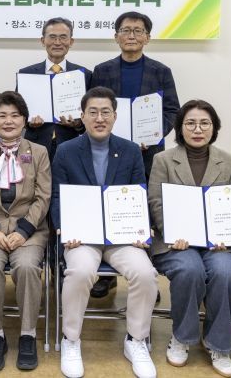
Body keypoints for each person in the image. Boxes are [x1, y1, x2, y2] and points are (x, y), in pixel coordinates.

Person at [51, 87, 158, 378]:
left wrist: (141, 230)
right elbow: (57, 196)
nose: (100, 118)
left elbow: (139, 194)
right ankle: (71, 339)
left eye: (105, 112)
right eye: (93, 112)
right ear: (83, 116)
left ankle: (136, 340)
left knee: (145, 273)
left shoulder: (130, 150)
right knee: (80, 271)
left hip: (121, 237)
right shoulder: (66, 150)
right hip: (82, 236)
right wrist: (64, 228)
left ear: (115, 116)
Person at [148, 99, 231, 378]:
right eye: (190, 123)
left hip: (218, 244)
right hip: (176, 242)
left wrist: (227, 234)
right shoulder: (163, 160)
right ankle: (182, 337)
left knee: (226, 272)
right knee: (189, 269)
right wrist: (173, 232)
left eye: (205, 123)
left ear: (214, 128)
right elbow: (156, 202)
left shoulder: (228, 161)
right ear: (180, 128)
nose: (198, 129)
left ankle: (219, 344)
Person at [89, 10, 180, 299]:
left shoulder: (161, 71)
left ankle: (146, 279)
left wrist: (151, 136)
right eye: (125, 30)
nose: (131, 36)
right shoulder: (102, 70)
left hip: (148, 153)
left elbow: (172, 110)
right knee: (109, 207)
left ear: (147, 37)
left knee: (145, 212)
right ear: (116, 36)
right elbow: (93, 109)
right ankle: (106, 277)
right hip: (108, 152)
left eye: (138, 31)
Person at [0, 91, 51, 371]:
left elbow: (43, 197)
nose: (9, 121)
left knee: (26, 267)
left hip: (29, 230)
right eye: (2, 115)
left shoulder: (38, 152)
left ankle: (27, 334)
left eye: (15, 115)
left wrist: (24, 231)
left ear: (24, 119)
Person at [18, 17, 92, 161]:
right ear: (43, 41)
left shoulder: (84, 75)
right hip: (34, 145)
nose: (57, 42)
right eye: (52, 37)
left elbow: (90, 114)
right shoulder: (26, 74)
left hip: (72, 145)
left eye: (63, 37)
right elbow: (18, 112)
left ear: (71, 41)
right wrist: (29, 122)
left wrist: (77, 124)